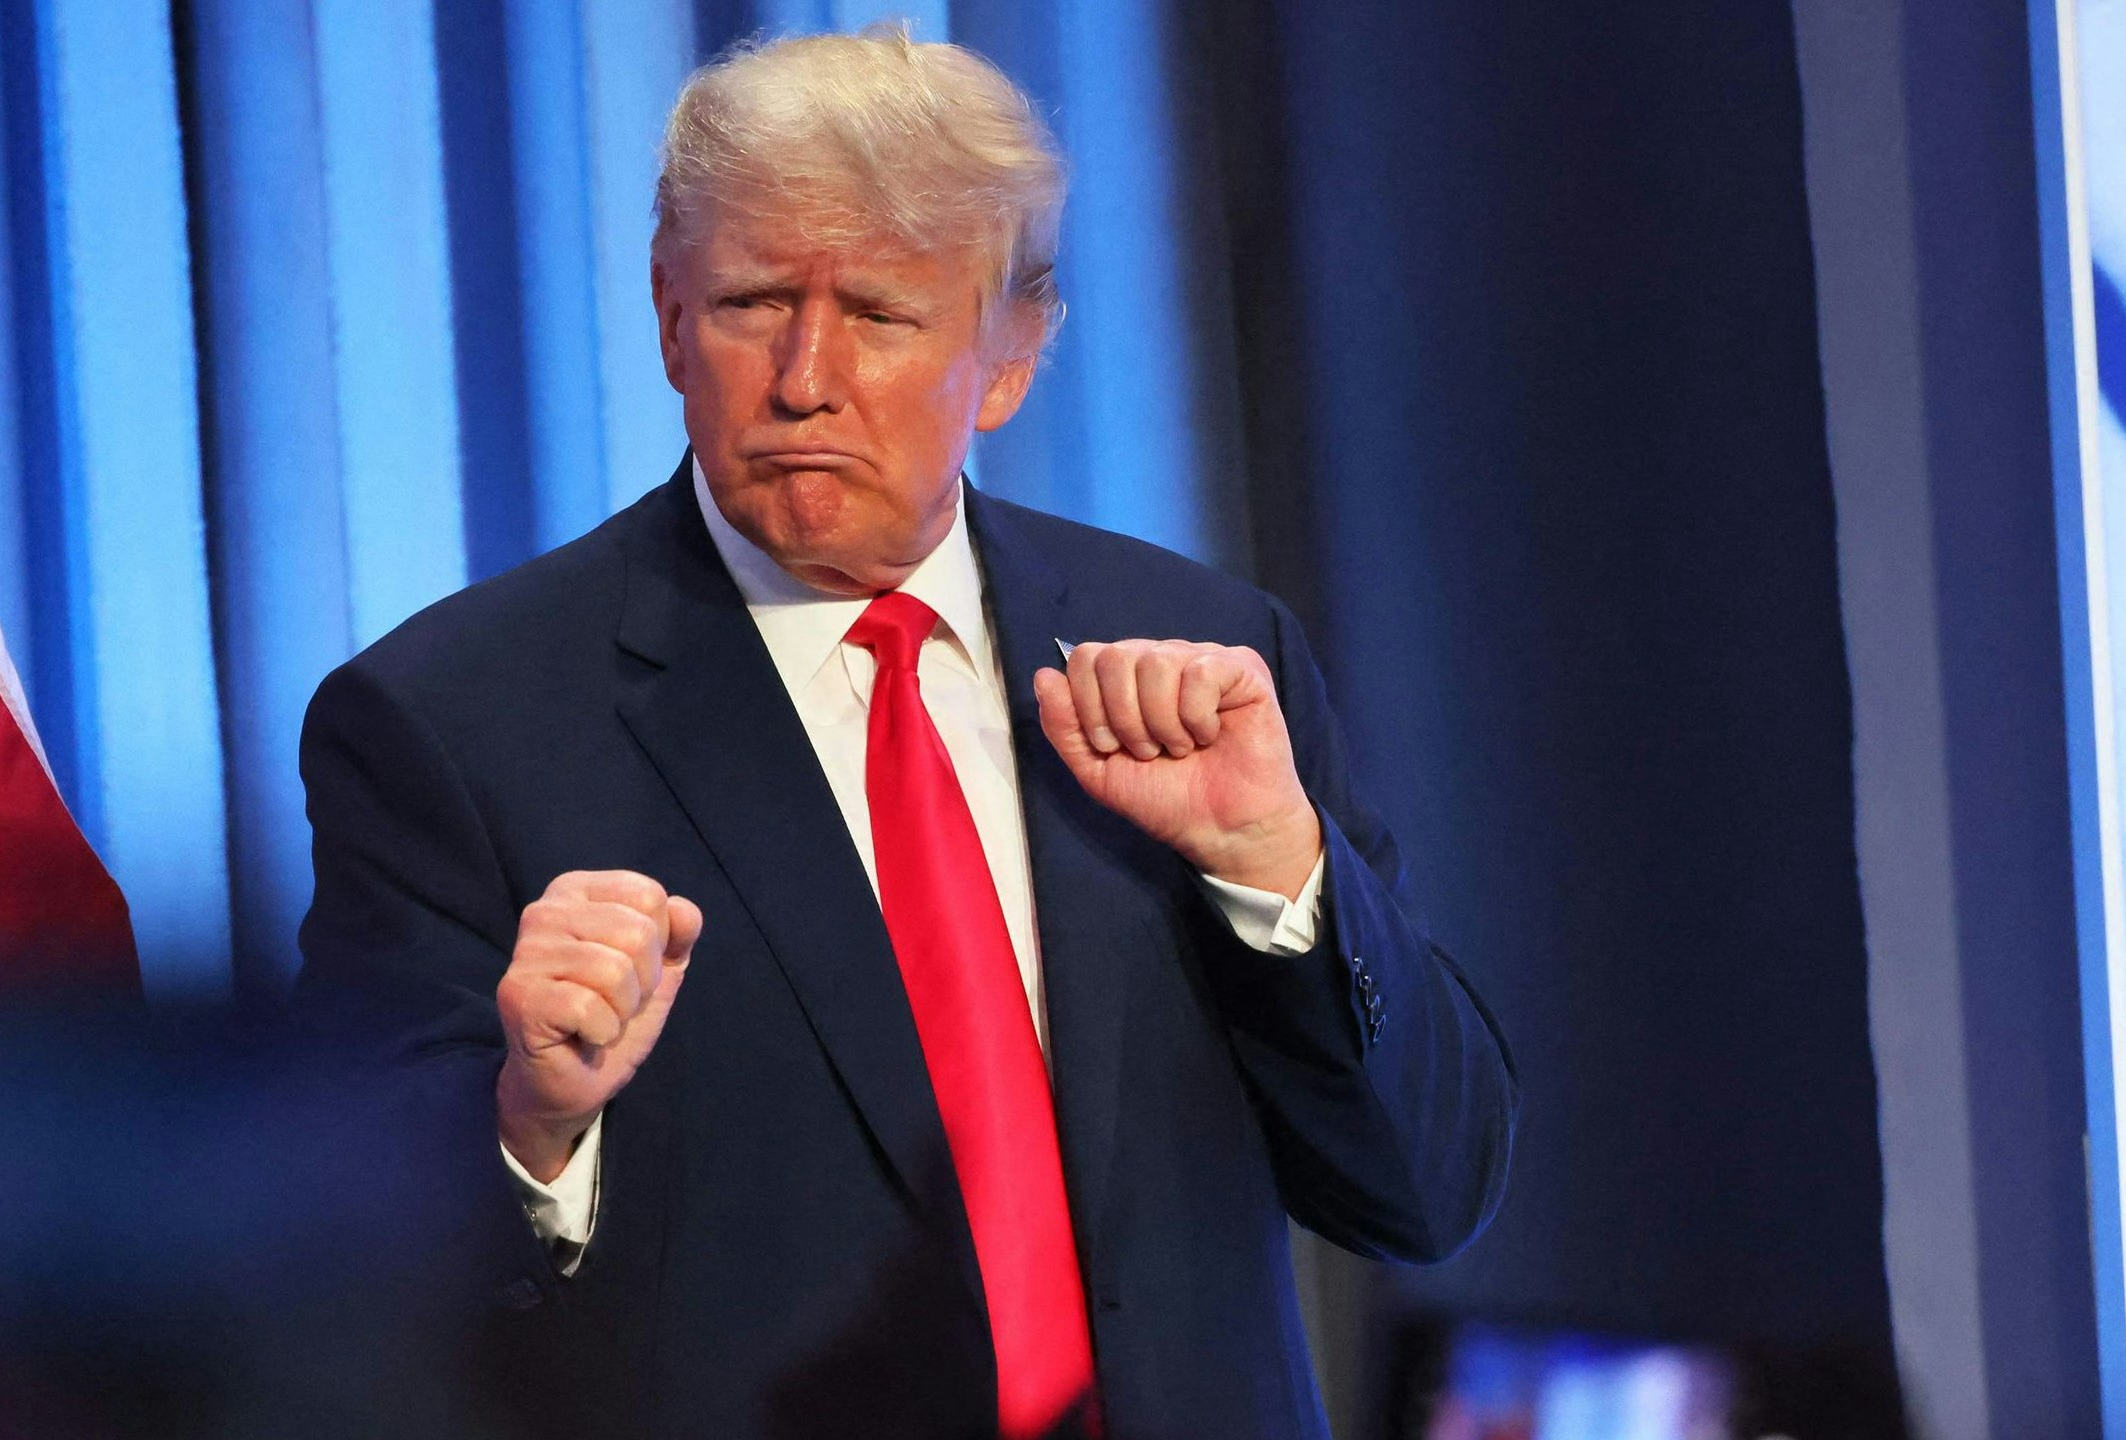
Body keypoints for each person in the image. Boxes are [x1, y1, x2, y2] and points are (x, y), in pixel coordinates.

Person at [298, 26, 1515, 1440]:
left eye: (877, 313)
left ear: (1010, 355)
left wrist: (1280, 875)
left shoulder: (1202, 653)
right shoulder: (451, 719)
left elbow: (1429, 1189)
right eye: (754, 301)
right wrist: (530, 1124)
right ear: (666, 315)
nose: (805, 377)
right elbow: (351, 1283)